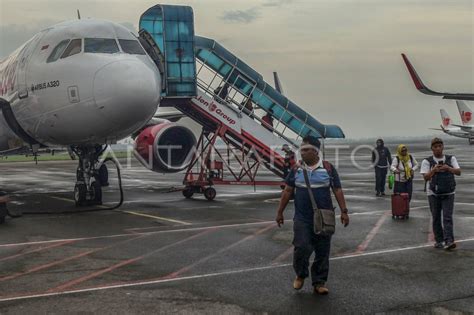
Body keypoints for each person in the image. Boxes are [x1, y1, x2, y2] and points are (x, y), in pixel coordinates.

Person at [275, 136, 350, 295]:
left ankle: (319, 282)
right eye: (301, 149)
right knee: (301, 247)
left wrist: (344, 211)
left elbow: (337, 190)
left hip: (324, 216)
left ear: (316, 151)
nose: (302, 153)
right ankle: (301, 274)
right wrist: (280, 212)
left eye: (306, 150)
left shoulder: (328, 169)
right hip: (302, 218)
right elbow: (288, 190)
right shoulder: (296, 170)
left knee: (322, 250)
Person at [420, 138, 461, 250]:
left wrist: (448, 168)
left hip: (449, 192)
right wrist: (433, 170)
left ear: (443, 147)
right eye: (435, 147)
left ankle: (449, 241)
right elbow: (426, 177)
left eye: (439, 146)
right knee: (436, 217)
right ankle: (439, 240)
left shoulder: (451, 158)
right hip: (433, 193)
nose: (438, 149)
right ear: (432, 149)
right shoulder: (427, 161)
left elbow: (459, 172)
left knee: (447, 217)